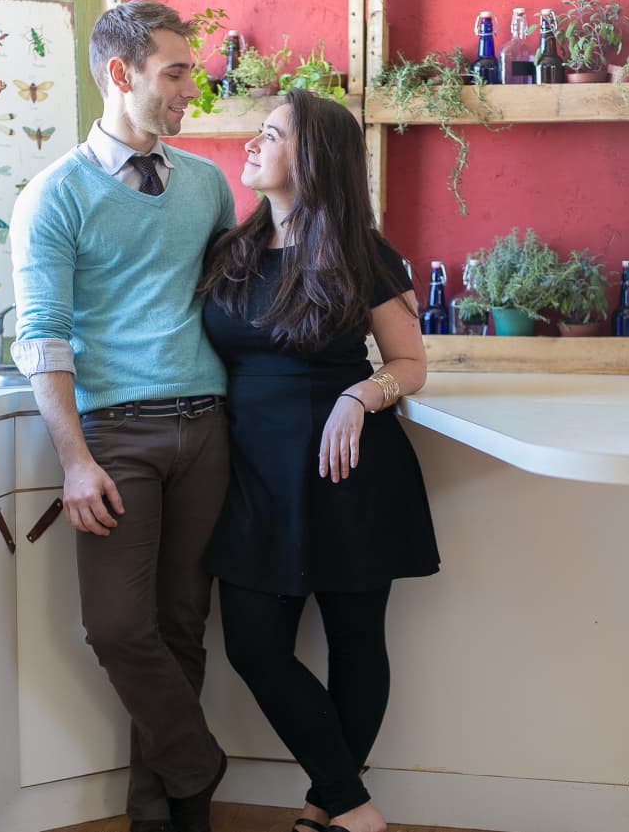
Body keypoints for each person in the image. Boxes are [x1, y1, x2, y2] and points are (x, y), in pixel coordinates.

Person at [10, 0, 234, 832]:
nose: (190, 88)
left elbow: (231, 305)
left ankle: (164, 816)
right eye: (174, 72)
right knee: (116, 626)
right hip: (115, 438)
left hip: (208, 428)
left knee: (180, 627)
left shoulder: (208, 186)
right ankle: (200, 763)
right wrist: (75, 458)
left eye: (189, 70)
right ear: (120, 73)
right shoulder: (55, 197)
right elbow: (43, 338)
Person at [199, 90, 440, 832]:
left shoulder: (363, 251)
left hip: (349, 472)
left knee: (357, 642)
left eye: (270, 134)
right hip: (254, 477)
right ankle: (354, 804)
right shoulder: (229, 252)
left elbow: (409, 360)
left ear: (312, 158)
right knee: (253, 646)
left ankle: (323, 805)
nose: (251, 143)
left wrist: (362, 395)